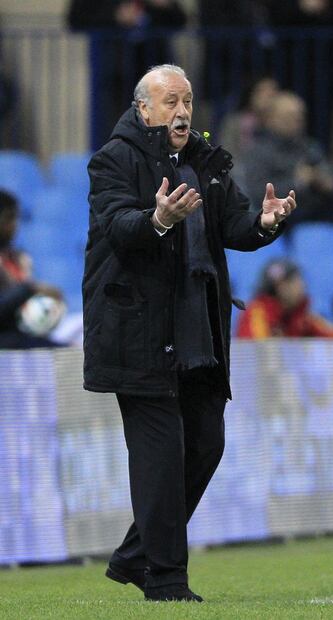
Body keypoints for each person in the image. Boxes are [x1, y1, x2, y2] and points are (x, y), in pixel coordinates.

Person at [83, 64, 296, 602]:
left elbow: (235, 228)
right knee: (160, 456)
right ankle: (166, 581)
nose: (182, 112)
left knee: (206, 442)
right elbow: (119, 228)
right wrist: (157, 219)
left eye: (188, 101)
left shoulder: (203, 162)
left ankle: (135, 556)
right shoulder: (113, 160)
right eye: (170, 101)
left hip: (196, 327)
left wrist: (266, 224)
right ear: (144, 110)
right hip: (137, 329)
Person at [238, 91, 333, 235]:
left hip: (317, 207)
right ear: (271, 119)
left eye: (300, 116)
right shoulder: (258, 153)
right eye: (290, 117)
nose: (297, 122)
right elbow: (258, 194)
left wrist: (325, 183)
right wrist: (298, 182)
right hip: (284, 213)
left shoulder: (310, 146)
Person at [67, 0, 187, 149]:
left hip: (155, 75)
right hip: (114, 74)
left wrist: (164, 6)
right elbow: (76, 19)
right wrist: (115, 16)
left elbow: (180, 20)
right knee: (114, 134)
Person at [236, 259, 333, 339]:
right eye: (296, 281)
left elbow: (331, 332)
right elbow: (257, 350)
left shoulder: (301, 317)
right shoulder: (257, 311)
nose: (302, 285)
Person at [0, 190, 64, 348]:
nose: (14, 225)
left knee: (72, 353)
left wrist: (49, 310)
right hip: (6, 339)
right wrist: (31, 289)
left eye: (15, 218)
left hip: (21, 337)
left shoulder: (19, 258)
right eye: (9, 218)